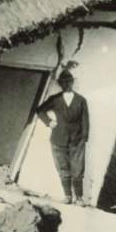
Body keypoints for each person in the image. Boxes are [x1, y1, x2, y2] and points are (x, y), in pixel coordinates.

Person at [37, 69, 89, 205]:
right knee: (63, 168)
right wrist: (49, 122)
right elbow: (40, 110)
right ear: (60, 84)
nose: (66, 84)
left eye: (68, 81)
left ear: (72, 82)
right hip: (58, 140)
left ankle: (79, 198)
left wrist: (84, 138)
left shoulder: (81, 100)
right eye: (63, 82)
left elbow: (85, 120)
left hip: (77, 140)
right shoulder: (55, 99)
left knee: (78, 169)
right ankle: (67, 196)